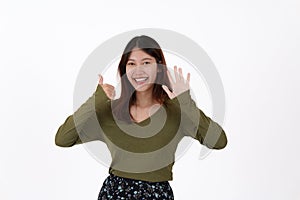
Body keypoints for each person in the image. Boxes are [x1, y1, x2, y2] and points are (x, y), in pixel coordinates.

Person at [55, 35, 228, 200]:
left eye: (146, 62)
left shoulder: (178, 111)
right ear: (124, 70)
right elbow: (63, 139)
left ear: (159, 66)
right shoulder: (110, 112)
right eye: (131, 64)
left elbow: (218, 141)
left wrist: (184, 102)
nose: (138, 70)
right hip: (114, 194)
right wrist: (95, 100)